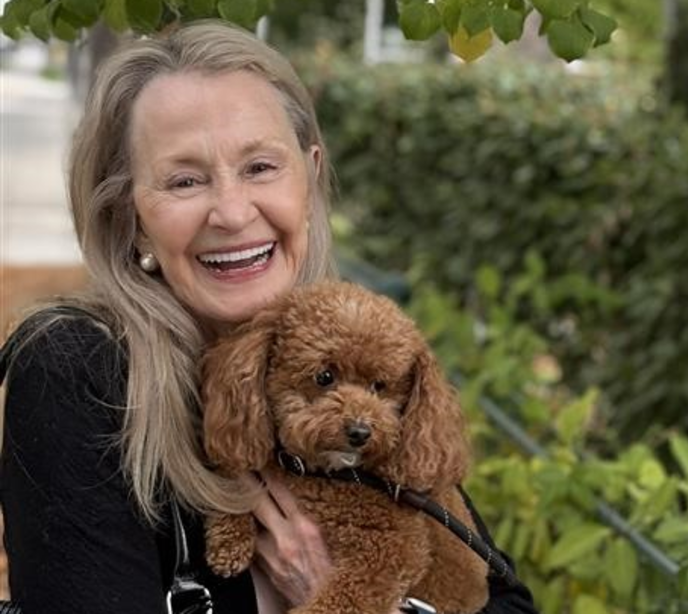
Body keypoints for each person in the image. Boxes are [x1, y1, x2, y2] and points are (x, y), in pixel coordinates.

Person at [0, 20, 538, 614]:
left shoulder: (359, 342)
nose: (231, 212)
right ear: (129, 214)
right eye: (185, 180)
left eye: (260, 168)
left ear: (308, 177)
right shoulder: (76, 370)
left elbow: (508, 602)